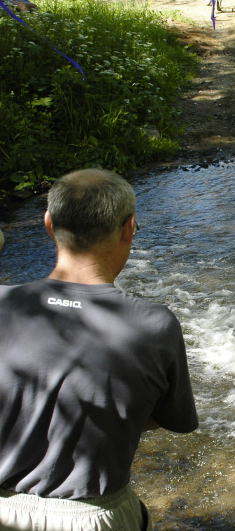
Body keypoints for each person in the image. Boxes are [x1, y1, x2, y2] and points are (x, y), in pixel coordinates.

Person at [0, 169, 198, 530]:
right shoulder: (153, 325)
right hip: (91, 517)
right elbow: (170, 420)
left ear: (47, 223)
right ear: (129, 228)